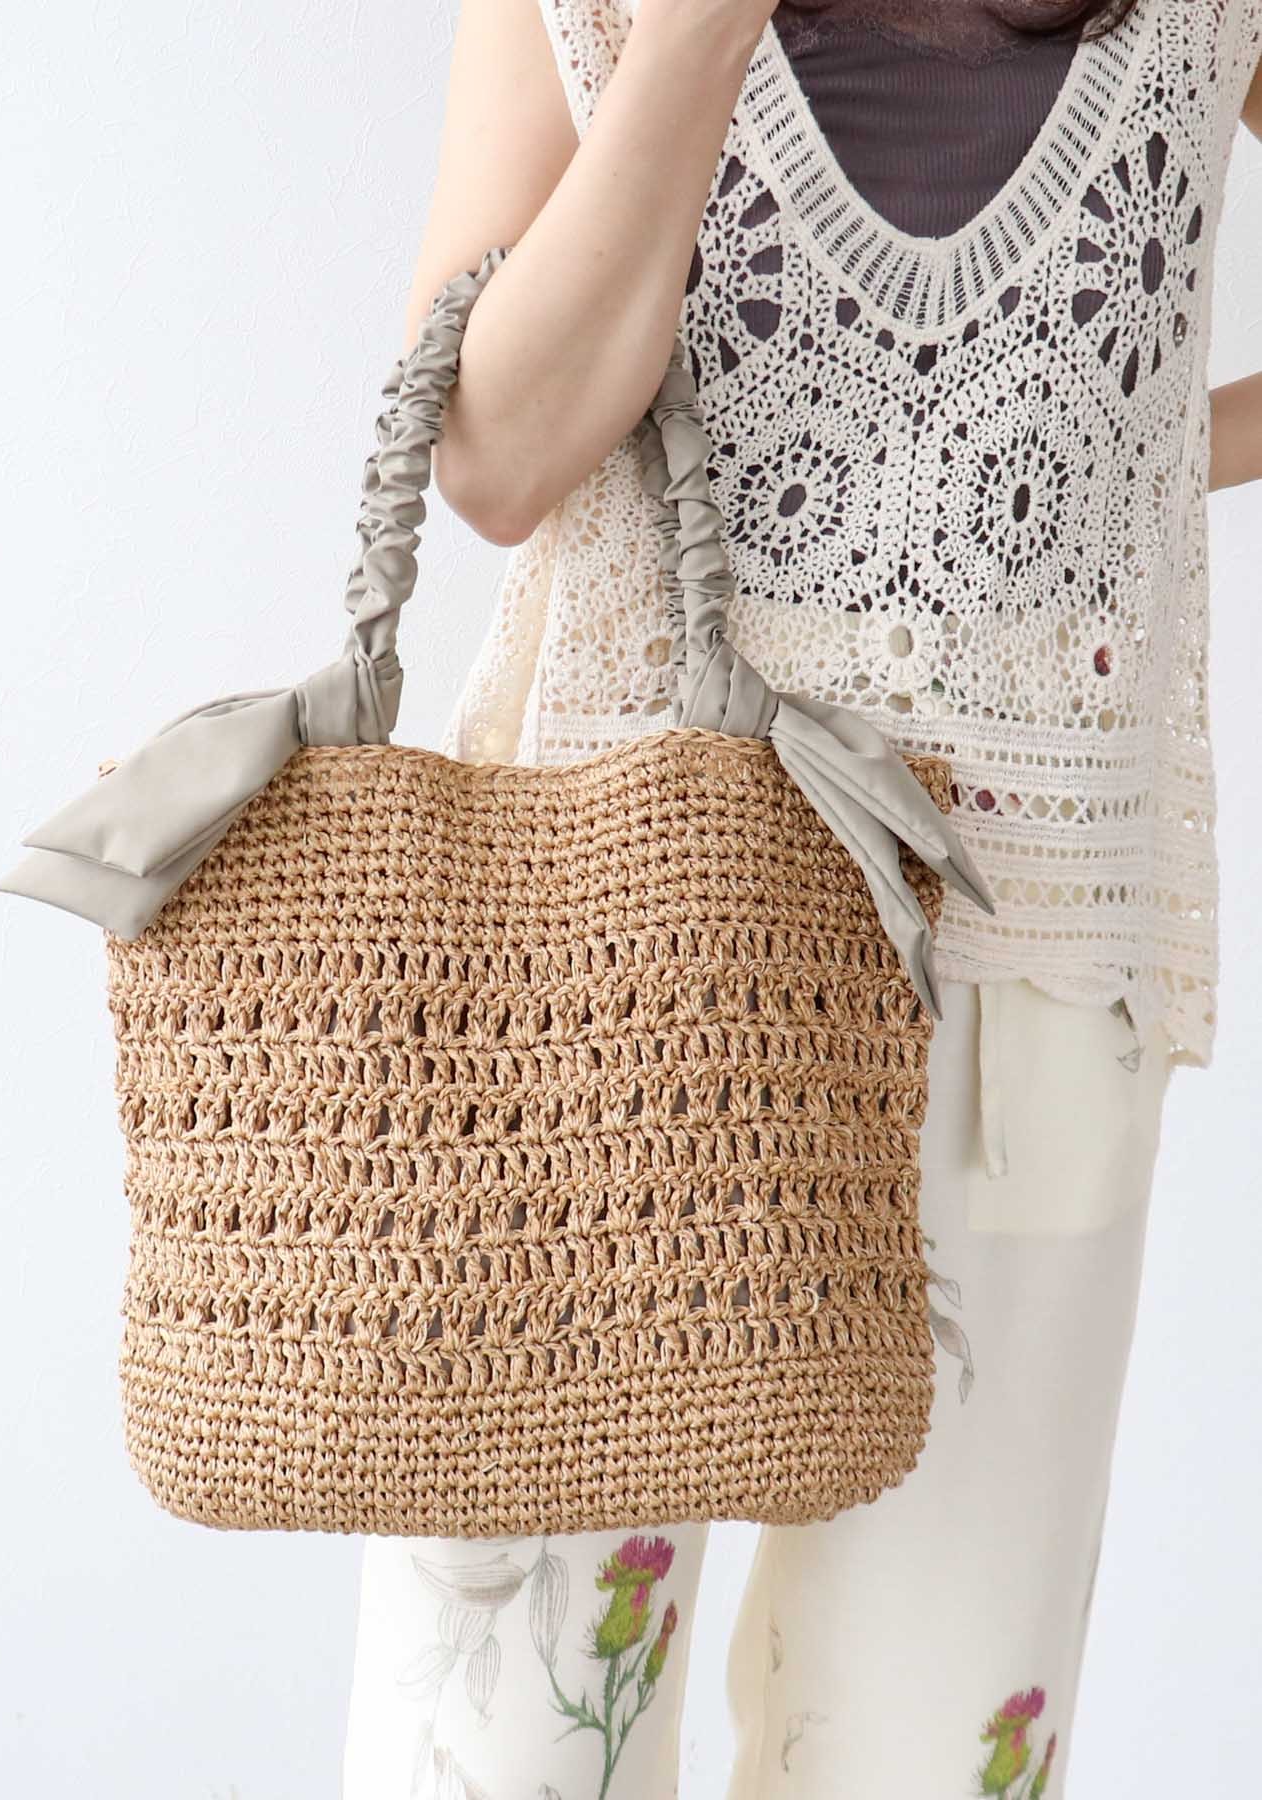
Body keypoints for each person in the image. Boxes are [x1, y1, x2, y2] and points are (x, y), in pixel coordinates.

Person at [341, 2, 1262, 1794]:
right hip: (604, 961)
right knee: (500, 1752)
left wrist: (1144, 448)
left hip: (1032, 983)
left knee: (934, 1747)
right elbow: (494, 459)